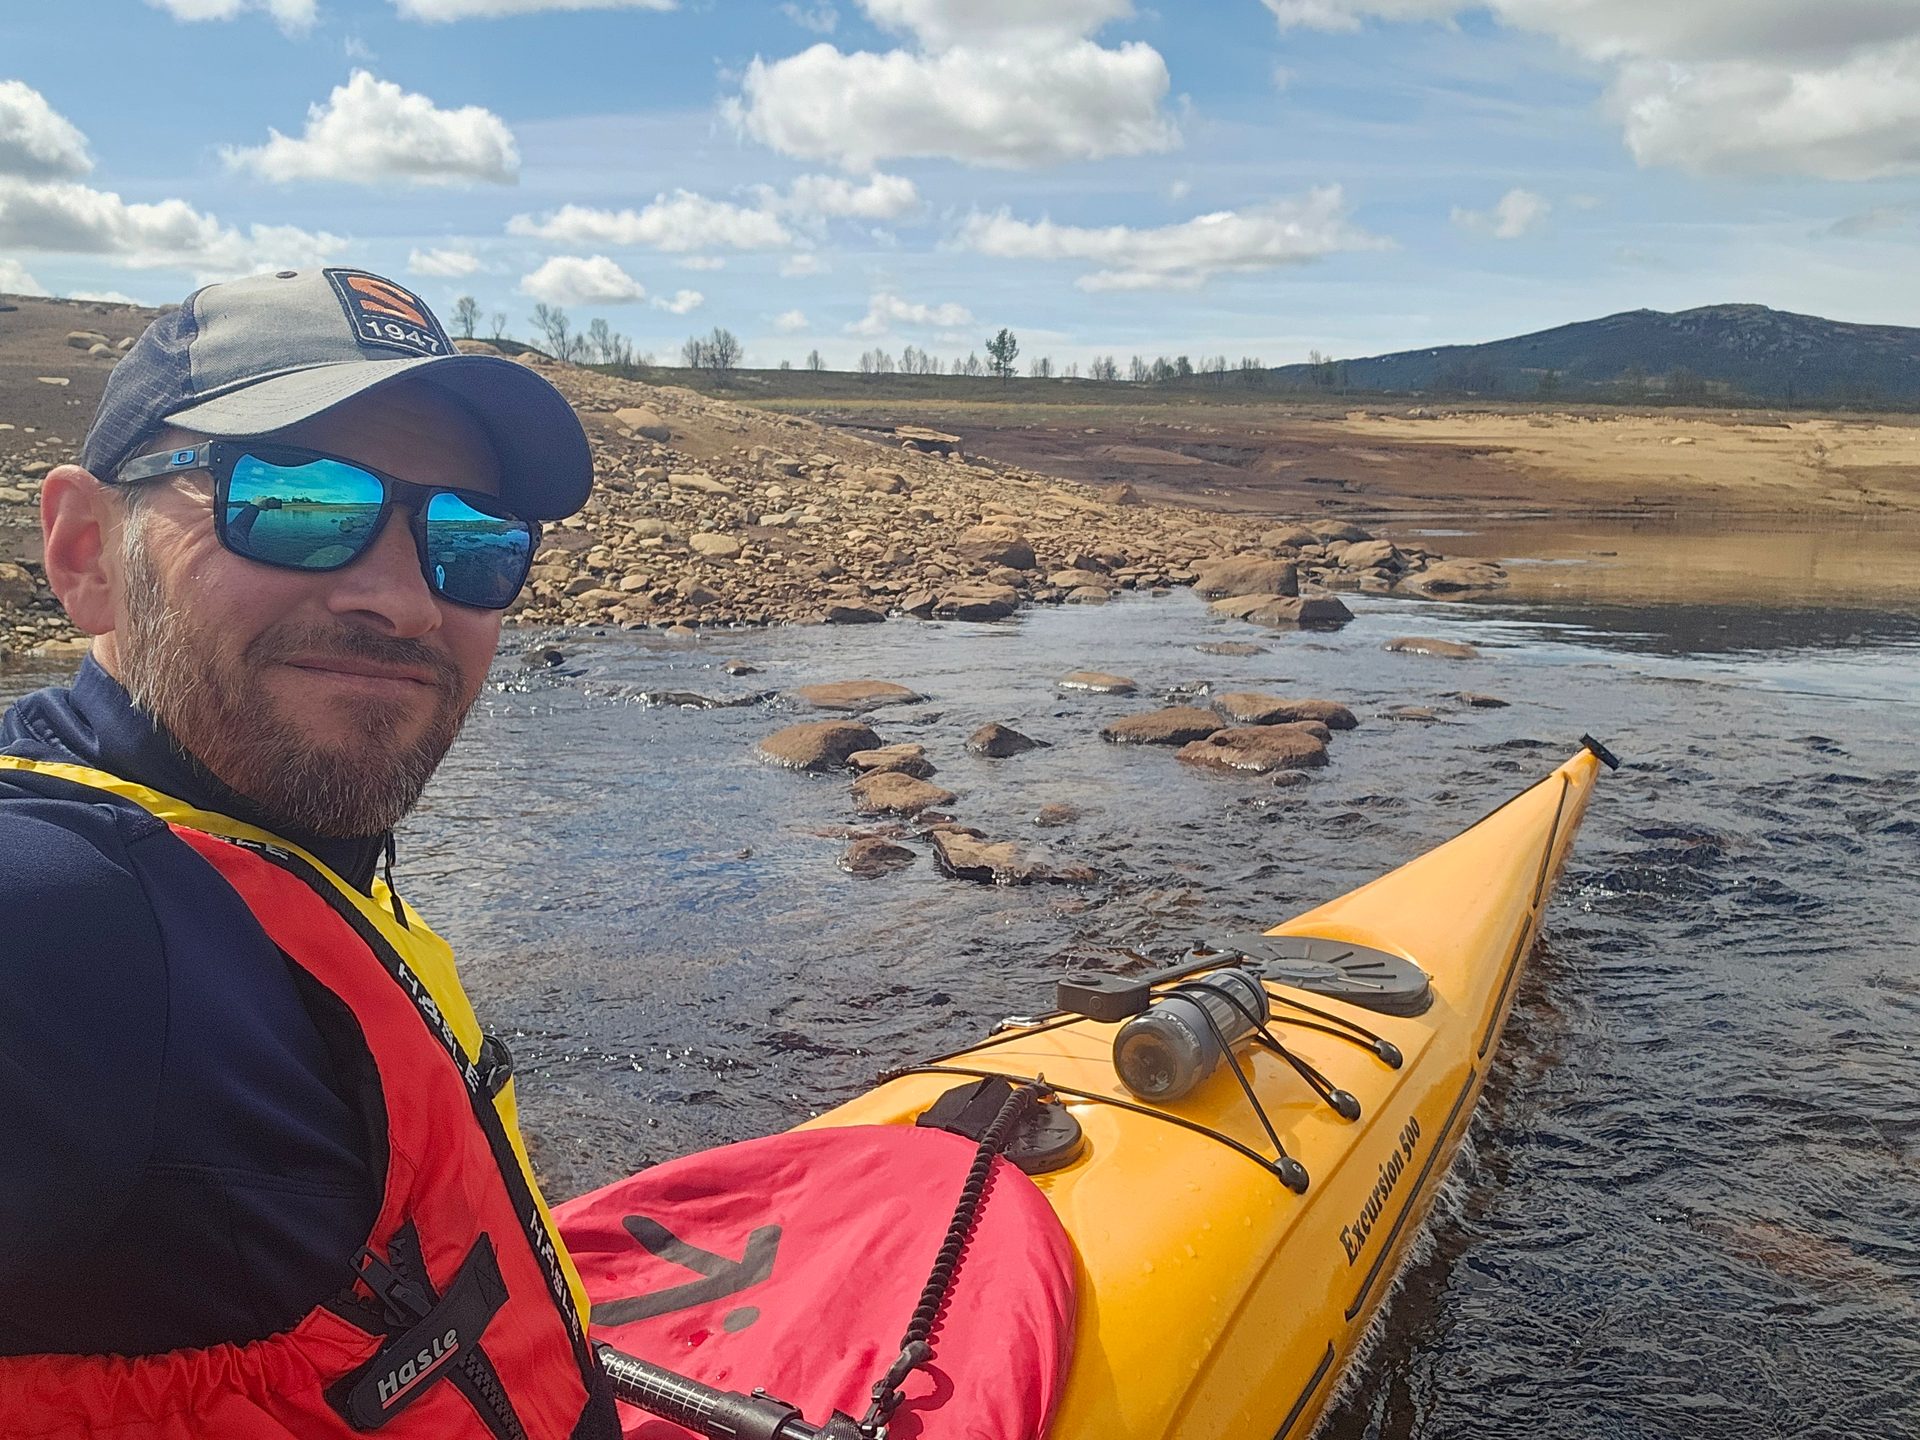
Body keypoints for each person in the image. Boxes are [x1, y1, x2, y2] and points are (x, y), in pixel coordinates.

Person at [0, 269, 620, 1438]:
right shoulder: (58, 914)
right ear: (85, 552)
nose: (403, 600)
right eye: (291, 501)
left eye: (471, 542)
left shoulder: (279, 849)